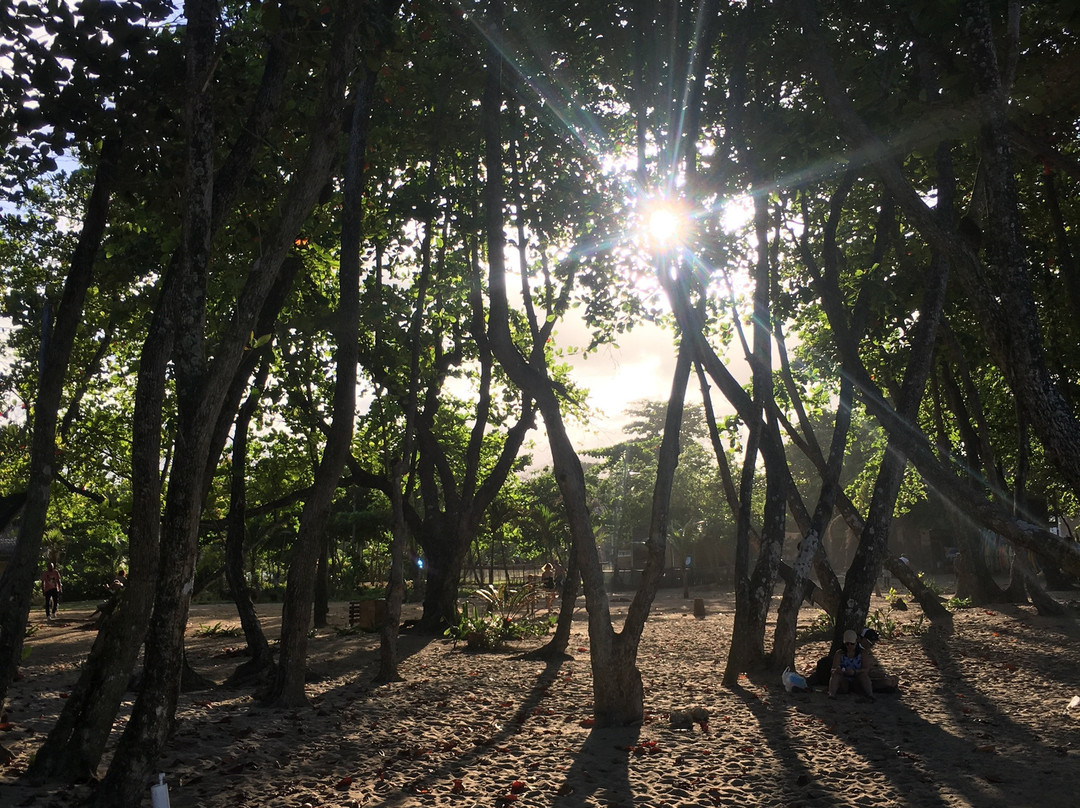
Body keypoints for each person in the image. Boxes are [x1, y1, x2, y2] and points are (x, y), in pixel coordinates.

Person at [828, 629, 875, 700]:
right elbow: (833, 669)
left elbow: (866, 669)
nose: (849, 646)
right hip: (844, 681)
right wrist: (838, 670)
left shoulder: (862, 653)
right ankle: (832, 694)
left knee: (864, 676)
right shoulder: (839, 653)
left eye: (852, 644)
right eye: (847, 644)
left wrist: (855, 672)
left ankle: (870, 695)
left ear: (856, 642)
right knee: (835, 675)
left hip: (857, 680)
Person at [859, 627, 900, 692]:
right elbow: (866, 671)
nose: (872, 645)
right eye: (871, 643)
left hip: (869, 676)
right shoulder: (859, 652)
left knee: (894, 678)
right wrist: (883, 675)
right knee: (887, 682)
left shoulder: (866, 652)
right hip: (863, 679)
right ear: (863, 640)